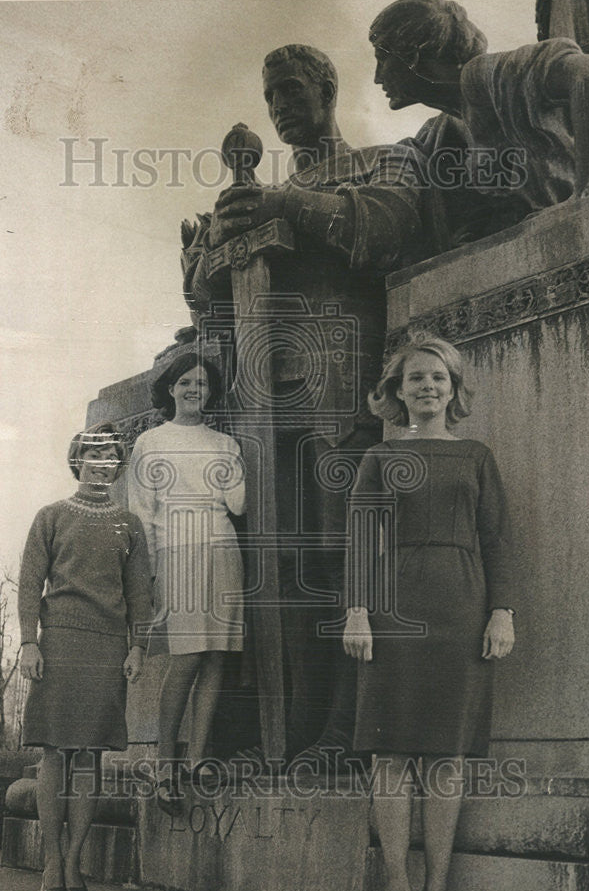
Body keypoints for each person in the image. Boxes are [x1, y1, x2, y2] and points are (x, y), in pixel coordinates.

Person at [183, 45, 427, 774]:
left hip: (342, 389)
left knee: (344, 557)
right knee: (279, 562)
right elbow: (207, 304)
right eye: (271, 95)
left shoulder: (380, 163)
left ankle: (348, 730)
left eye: (293, 89)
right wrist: (209, 250)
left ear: (328, 89)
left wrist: (287, 204)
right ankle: (284, 732)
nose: (282, 105)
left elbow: (389, 227)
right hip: (263, 407)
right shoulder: (249, 198)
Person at [343, 335, 516, 891]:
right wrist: (357, 612)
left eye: (438, 378)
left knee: (448, 755)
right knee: (391, 756)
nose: (428, 388)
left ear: (454, 387)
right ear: (396, 391)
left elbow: (496, 539)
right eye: (415, 379)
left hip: (462, 607)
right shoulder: (380, 458)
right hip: (393, 610)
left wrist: (502, 611)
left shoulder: (475, 455)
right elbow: (362, 539)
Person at [368, 0, 589, 250]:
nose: (378, 77)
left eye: (383, 58)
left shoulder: (480, 76)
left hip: (579, 241)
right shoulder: (447, 126)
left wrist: (586, 196)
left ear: (412, 55)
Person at [18, 422, 149, 891]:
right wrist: (28, 643)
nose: (102, 463)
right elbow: (30, 582)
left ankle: (75, 862)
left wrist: (138, 646)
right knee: (54, 751)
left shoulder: (128, 524)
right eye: (93, 455)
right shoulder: (50, 516)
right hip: (59, 642)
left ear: (118, 466)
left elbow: (139, 593)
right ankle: (51, 860)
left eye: (111, 456)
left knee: (91, 753)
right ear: (77, 460)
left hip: (108, 645)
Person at [127, 353, 245, 809]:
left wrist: (238, 462)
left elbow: (236, 504)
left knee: (217, 655)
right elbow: (141, 512)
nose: (195, 389)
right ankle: (163, 767)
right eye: (186, 382)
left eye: (202, 383)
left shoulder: (225, 444)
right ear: (171, 389)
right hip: (178, 551)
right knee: (187, 658)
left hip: (223, 548)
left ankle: (197, 760)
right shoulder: (151, 443)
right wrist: (150, 570)